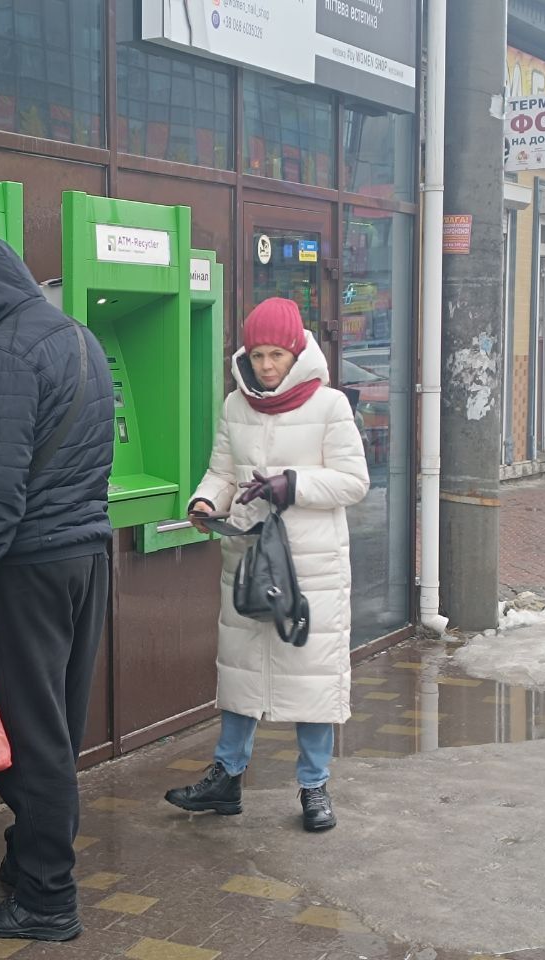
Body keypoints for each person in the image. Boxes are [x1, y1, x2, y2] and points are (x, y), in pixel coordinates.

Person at [0, 236, 114, 942]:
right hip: (84, 558)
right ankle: (28, 860)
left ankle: (47, 898)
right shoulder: (77, 336)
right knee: (55, 729)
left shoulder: (1, 355)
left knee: (31, 738)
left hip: (25, 568)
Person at [164, 297, 369, 832]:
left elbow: (354, 482)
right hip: (249, 556)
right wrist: (206, 501)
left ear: (297, 349)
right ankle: (227, 779)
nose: (266, 365)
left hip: (310, 565)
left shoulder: (330, 405)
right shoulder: (237, 405)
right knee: (241, 671)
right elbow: (223, 471)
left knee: (312, 677)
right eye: (257, 354)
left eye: (276, 353)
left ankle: (314, 786)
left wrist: (293, 484)